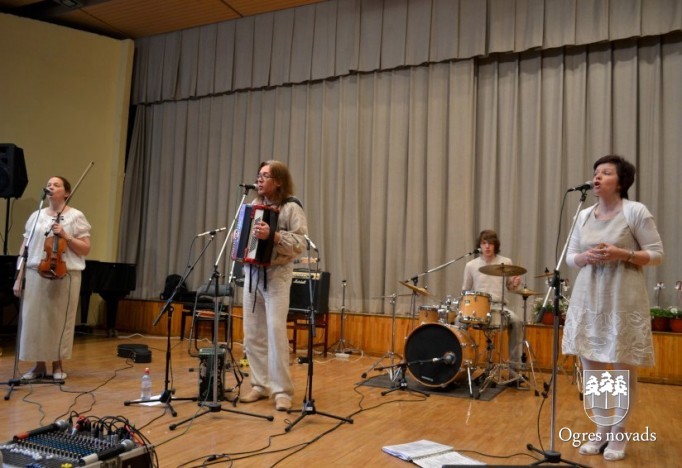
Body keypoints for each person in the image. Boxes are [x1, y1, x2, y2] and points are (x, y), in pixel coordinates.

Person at [562, 155, 663, 461]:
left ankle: (619, 434)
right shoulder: (583, 215)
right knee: (592, 370)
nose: (597, 177)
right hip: (588, 298)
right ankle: (601, 430)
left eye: (605, 173)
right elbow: (571, 257)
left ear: (620, 182)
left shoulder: (635, 211)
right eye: (595, 173)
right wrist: (584, 258)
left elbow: (656, 254)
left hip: (622, 298)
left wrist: (623, 253)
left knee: (621, 371)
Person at [239, 160, 307, 412]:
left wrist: (275, 236)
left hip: (277, 275)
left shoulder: (291, 207)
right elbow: (245, 238)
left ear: (278, 181)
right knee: (252, 334)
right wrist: (238, 238)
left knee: (276, 333)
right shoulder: (252, 205)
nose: (259, 179)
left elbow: (300, 243)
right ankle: (260, 385)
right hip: (252, 274)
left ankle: (282, 391)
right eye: (259, 175)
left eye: (265, 176)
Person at [13, 176, 92, 381]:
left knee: (59, 321)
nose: (51, 187)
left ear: (67, 193)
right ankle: (39, 365)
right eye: (49, 184)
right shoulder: (36, 215)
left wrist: (66, 236)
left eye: (56, 185)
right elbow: (25, 247)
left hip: (65, 274)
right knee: (35, 321)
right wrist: (19, 276)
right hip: (35, 272)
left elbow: (85, 249)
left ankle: (58, 364)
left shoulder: (76, 216)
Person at [461, 230, 524, 371]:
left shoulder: (506, 262)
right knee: (459, 324)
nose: (487, 246)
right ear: (480, 245)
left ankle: (515, 370)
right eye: (484, 243)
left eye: (490, 243)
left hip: (499, 306)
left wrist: (515, 283)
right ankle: (460, 366)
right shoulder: (471, 265)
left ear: (496, 245)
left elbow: (510, 287)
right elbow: (465, 291)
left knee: (517, 322)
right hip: (478, 307)